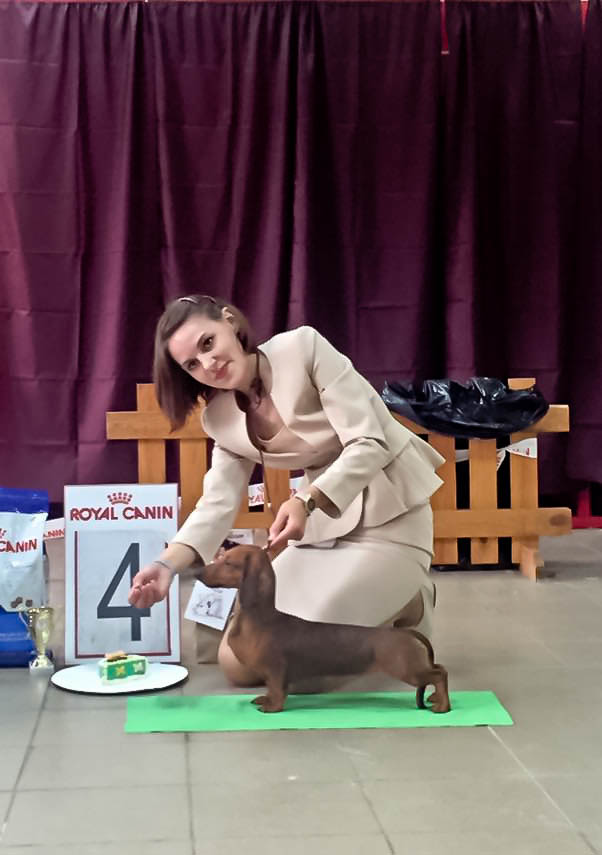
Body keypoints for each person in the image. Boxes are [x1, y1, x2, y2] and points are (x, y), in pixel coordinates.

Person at [128, 294, 445, 686]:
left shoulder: (302, 348)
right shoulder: (219, 419)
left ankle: (411, 598)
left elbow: (369, 442)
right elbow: (217, 503)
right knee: (239, 661)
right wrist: (165, 566)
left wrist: (307, 500)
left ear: (229, 321)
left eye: (208, 343)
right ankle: (392, 599)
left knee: (302, 674)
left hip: (391, 517)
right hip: (322, 533)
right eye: (192, 364)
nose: (208, 364)